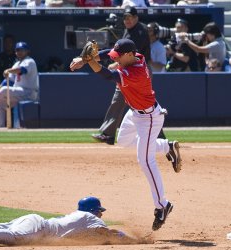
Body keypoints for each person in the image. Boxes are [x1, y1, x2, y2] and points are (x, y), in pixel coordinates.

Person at [70, 38, 182, 231]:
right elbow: (107, 53)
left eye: (119, 57)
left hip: (149, 119)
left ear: (129, 55)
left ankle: (162, 205)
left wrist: (88, 61)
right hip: (134, 112)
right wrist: (84, 58)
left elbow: (107, 75)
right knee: (123, 140)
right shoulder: (136, 56)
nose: (116, 59)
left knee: (145, 161)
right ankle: (166, 146)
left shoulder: (135, 72)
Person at [0, 196, 133, 247]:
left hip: (32, 220)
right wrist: (135, 240)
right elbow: (109, 233)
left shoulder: (78, 217)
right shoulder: (88, 218)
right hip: (38, 227)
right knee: (15, 237)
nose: (101, 215)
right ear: (93, 211)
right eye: (100, 211)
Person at [88, 6, 153, 145]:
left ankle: (108, 134)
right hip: (129, 70)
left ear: (136, 18)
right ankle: (108, 133)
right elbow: (114, 52)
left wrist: (113, 64)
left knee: (142, 106)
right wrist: (92, 57)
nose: (127, 20)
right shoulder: (129, 30)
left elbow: (131, 57)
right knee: (135, 104)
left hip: (136, 72)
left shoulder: (139, 32)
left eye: (130, 17)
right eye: (125, 18)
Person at [0, 41, 39, 128]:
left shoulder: (30, 61)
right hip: (18, 94)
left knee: (5, 90)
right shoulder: (16, 64)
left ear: (27, 51)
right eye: (17, 50)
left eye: (22, 50)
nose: (19, 52)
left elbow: (22, 70)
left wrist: (8, 70)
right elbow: (7, 82)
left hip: (29, 92)